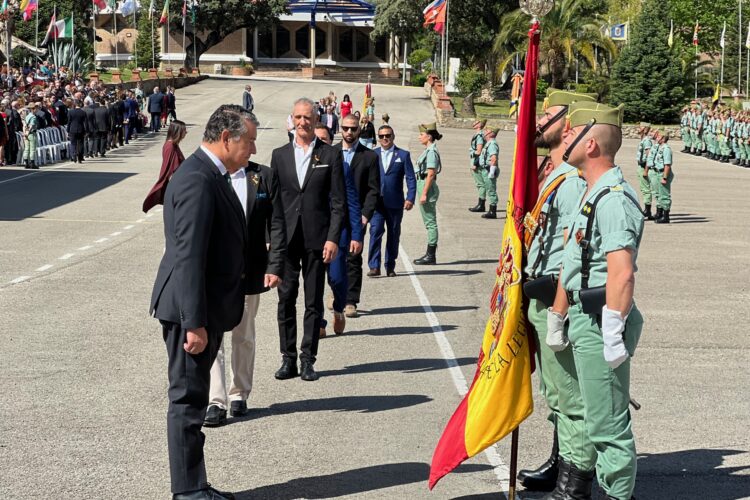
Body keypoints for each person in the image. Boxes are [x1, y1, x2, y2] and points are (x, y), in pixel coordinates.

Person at [149, 104, 256, 500]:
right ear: (226, 138)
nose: (252, 150)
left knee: (192, 402)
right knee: (187, 403)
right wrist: (194, 322)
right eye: (249, 142)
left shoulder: (210, 173)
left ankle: (195, 485)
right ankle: (189, 492)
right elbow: (188, 255)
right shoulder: (197, 178)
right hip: (190, 310)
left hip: (204, 307)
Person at [547, 101, 644, 500]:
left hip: (603, 317)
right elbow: (574, 263)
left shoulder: (613, 198)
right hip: (584, 316)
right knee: (593, 416)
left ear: (592, 145)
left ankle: (620, 496)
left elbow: (622, 272)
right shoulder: (592, 193)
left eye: (574, 131)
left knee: (607, 425)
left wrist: (613, 329)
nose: (565, 136)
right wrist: (558, 313)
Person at [518, 89, 594, 493]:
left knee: (570, 396)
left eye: (546, 116)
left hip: (557, 298)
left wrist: (559, 311)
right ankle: (561, 460)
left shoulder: (570, 181)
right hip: (541, 295)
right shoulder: (552, 172)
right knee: (555, 391)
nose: (538, 122)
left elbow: (569, 251)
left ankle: (576, 481)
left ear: (569, 123)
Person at [205, 133, 288, 427]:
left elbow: (277, 224)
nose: (252, 148)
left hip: (251, 269)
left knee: (244, 333)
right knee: (214, 336)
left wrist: (275, 264)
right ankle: (216, 400)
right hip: (215, 272)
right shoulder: (211, 175)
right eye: (248, 142)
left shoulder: (263, 176)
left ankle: (239, 392)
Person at [271, 97, 346, 382]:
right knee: (285, 300)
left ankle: (307, 359)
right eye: (298, 117)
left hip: (318, 241)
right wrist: (271, 239)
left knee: (313, 302)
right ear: (292, 120)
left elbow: (338, 202)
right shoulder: (279, 155)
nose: (303, 122)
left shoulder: (330, 155)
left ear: (317, 120)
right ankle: (288, 358)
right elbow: (275, 203)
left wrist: (332, 239)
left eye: (308, 117)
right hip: (287, 241)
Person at [321, 117, 366, 336]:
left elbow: (353, 203)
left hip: (339, 232)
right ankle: (318, 323)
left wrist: (357, 234)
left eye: (324, 140)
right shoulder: (304, 168)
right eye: (316, 139)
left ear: (330, 141)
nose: (320, 143)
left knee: (338, 278)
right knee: (314, 282)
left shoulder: (342, 167)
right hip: (314, 233)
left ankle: (338, 309)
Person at [335, 113, 379, 320]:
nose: (349, 132)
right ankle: (336, 292)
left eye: (353, 129)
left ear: (359, 130)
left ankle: (351, 300)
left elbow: (373, 190)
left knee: (353, 258)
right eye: (346, 128)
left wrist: (365, 215)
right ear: (340, 129)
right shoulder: (330, 153)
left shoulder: (369, 157)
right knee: (332, 257)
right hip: (333, 216)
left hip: (356, 217)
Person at [369, 124, 416, 277]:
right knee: (375, 231)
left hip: (395, 202)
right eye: (381, 136)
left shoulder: (403, 155)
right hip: (377, 203)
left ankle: (390, 266)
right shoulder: (372, 155)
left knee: (393, 234)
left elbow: (410, 178)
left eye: (387, 135)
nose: (385, 139)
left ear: (393, 136)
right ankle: (374, 266)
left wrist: (410, 197)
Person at [143, 120, 188, 213]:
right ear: (177, 131)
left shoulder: (174, 145)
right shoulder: (169, 146)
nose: (186, 133)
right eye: (184, 130)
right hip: (176, 185)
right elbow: (169, 167)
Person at [413, 122, 442, 265]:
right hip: (423, 184)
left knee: (430, 222)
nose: (419, 137)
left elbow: (430, 174)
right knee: (428, 221)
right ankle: (430, 254)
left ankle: (431, 255)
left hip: (427, 186)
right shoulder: (428, 150)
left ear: (429, 136)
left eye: (421, 134)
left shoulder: (431, 152)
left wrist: (424, 193)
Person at [651, 130, 674, 224]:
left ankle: (666, 216)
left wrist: (664, 177)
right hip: (657, 172)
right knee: (658, 194)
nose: (657, 137)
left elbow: (667, 164)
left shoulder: (666, 149)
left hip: (662, 173)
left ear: (663, 138)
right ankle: (659, 213)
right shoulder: (659, 147)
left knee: (664, 195)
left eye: (659, 136)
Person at [478, 127, 500, 219]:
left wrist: (491, 172)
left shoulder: (492, 144)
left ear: (491, 133)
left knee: (491, 190)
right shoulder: (489, 144)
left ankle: (493, 211)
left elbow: (493, 158)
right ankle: (491, 209)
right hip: (485, 169)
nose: (484, 132)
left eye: (487, 131)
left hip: (488, 169)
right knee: (488, 188)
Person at [635, 122, 654, 220]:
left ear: (645, 129)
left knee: (646, 189)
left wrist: (646, 170)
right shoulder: (643, 139)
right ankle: (647, 210)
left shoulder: (646, 141)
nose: (639, 128)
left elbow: (649, 156)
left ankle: (647, 210)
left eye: (641, 126)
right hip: (641, 166)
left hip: (644, 167)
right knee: (644, 189)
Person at [467, 119, 487, 213]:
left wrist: (474, 163)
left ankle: (481, 204)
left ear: (479, 125)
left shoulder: (479, 136)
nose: (474, 122)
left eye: (476, 122)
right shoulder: (478, 135)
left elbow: (479, 151)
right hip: (475, 160)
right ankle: (481, 203)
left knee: (480, 184)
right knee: (479, 183)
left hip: (476, 161)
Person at [67, 99, 88, 164]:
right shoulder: (83, 112)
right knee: (80, 143)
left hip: (72, 129)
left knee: (73, 143)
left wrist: (68, 130)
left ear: (75, 104)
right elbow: (85, 123)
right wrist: (86, 130)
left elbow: (69, 122)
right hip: (81, 129)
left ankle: (74, 155)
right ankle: (80, 157)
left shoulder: (70, 112)